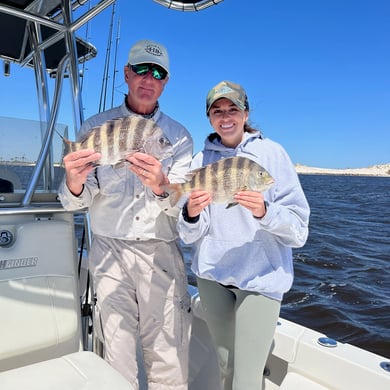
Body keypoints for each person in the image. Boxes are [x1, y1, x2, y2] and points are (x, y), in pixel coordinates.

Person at [58, 39, 193, 389]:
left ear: (165, 82)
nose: (149, 79)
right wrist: (73, 182)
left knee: (168, 352)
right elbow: (77, 202)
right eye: (142, 70)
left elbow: (183, 207)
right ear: (127, 73)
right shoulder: (95, 126)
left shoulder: (178, 138)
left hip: (159, 252)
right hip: (108, 251)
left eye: (158, 73)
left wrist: (162, 186)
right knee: (115, 352)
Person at [176, 81, 310, 390]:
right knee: (227, 366)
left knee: (247, 377)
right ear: (209, 117)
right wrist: (191, 213)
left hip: (260, 280)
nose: (225, 117)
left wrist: (266, 212)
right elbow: (188, 235)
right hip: (212, 277)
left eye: (233, 109)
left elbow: (299, 231)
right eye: (217, 110)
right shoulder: (200, 162)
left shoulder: (273, 155)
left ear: (245, 113)